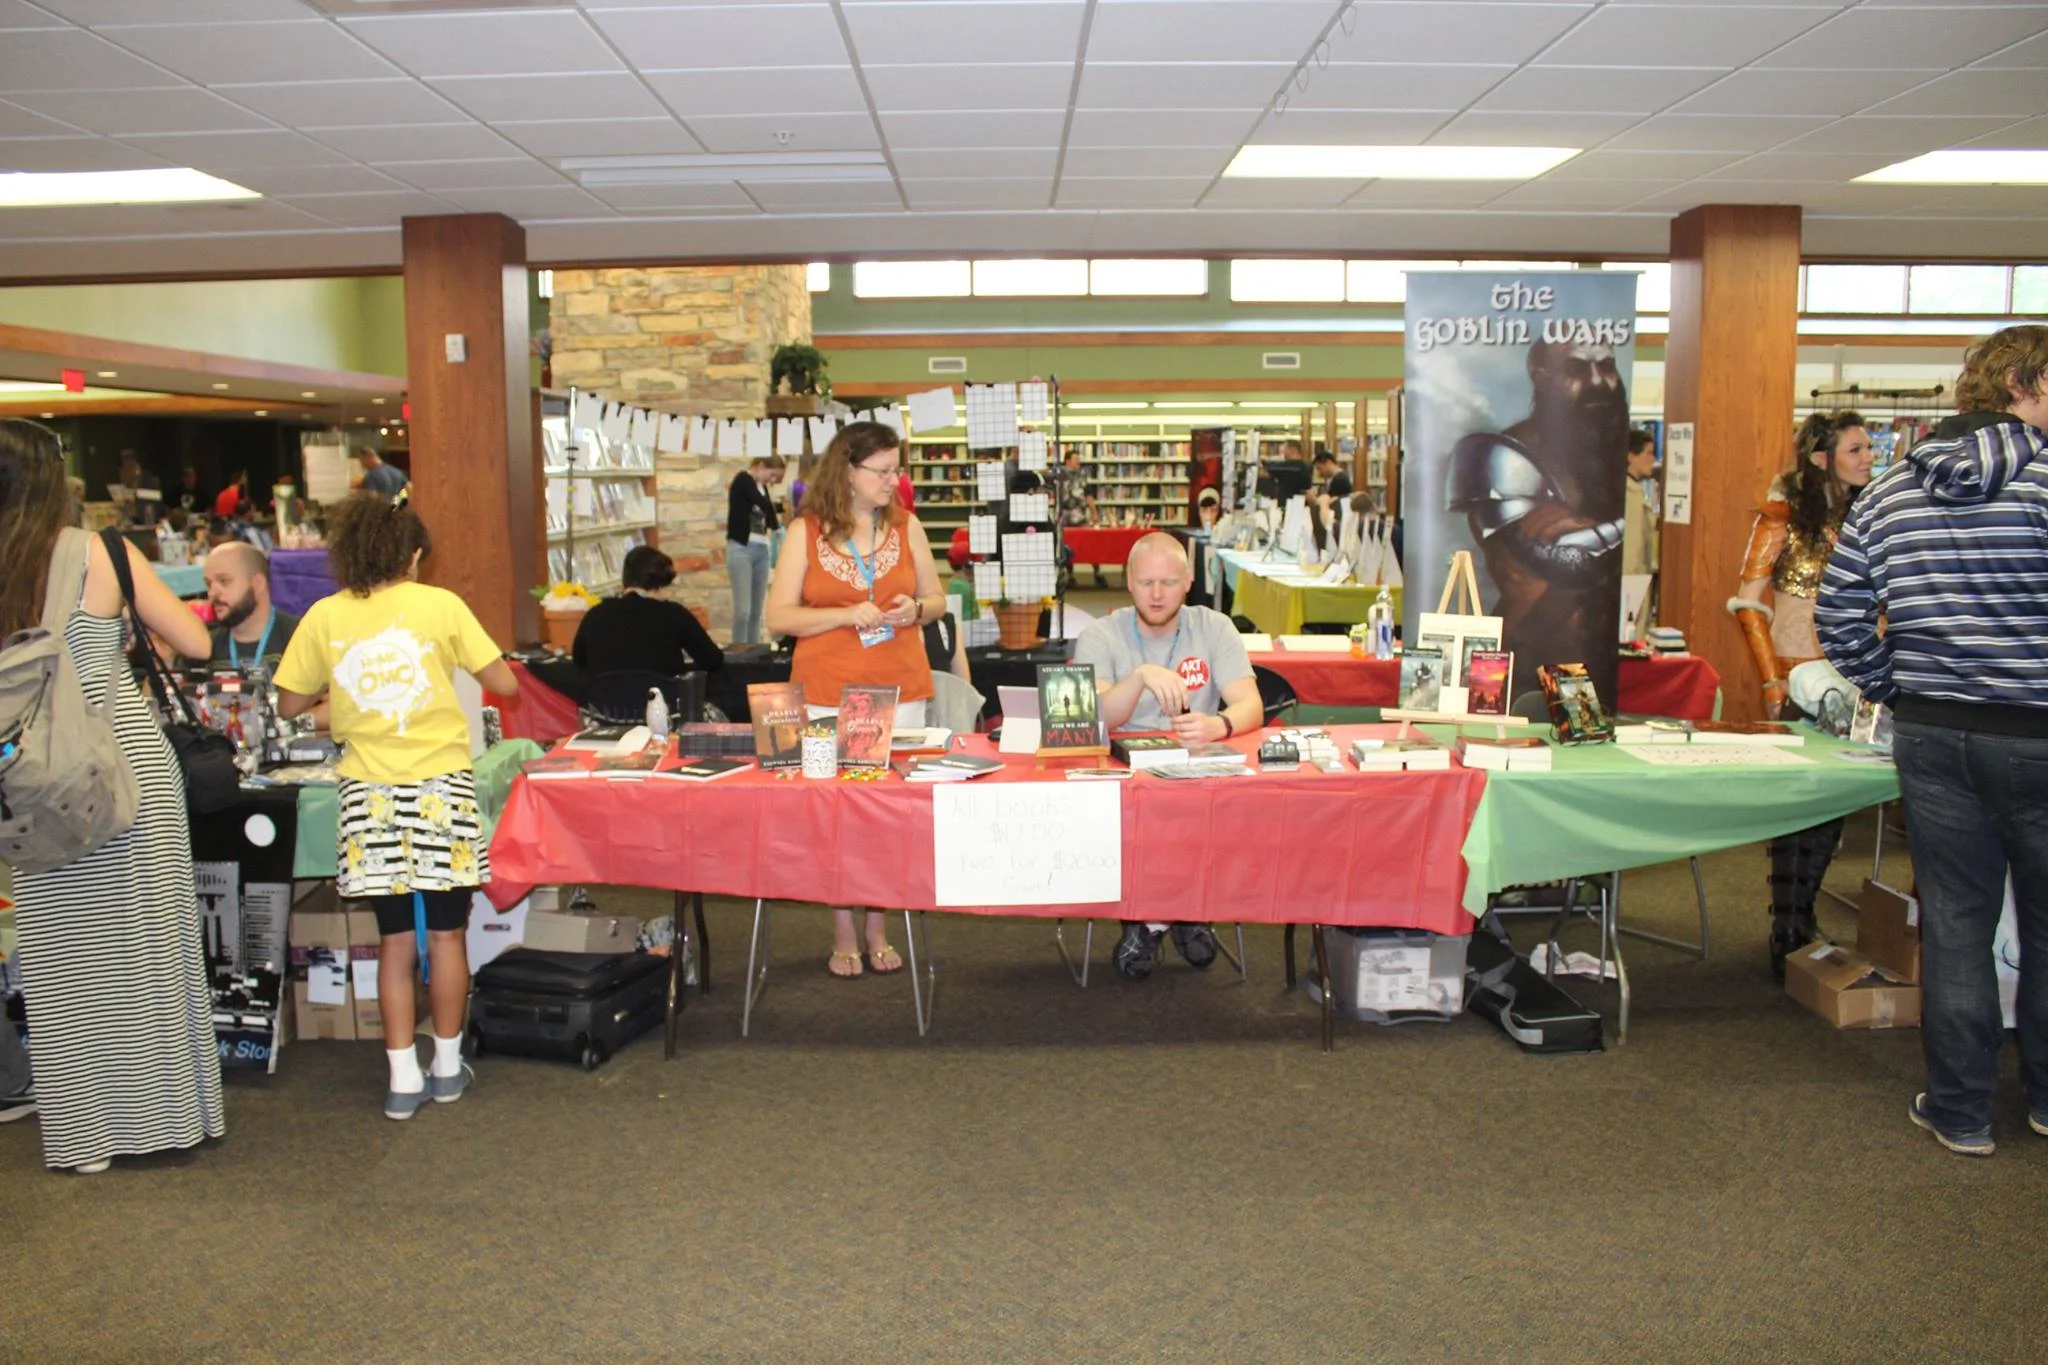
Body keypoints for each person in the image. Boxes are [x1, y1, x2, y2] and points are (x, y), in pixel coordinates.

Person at [1818, 325, 2048, 1158]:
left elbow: (1839, 615)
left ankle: (1960, 1110)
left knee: (1955, 922)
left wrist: (1897, 686)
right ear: (2021, 384)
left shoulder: (1889, 491)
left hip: (1935, 733)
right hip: (2037, 731)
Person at [0, 418, 221, 1173]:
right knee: (143, 945)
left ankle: (84, 1136)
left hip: (29, 776)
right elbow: (195, 641)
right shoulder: (100, 551)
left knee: (61, 962)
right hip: (119, 764)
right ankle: (158, 1119)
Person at [273, 493, 519, 1121]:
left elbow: (289, 704)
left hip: (369, 797)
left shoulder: (325, 615)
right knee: (448, 934)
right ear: (411, 555)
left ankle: (402, 1080)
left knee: (394, 941)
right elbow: (505, 683)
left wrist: (343, 695)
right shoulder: (442, 605)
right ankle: (447, 1068)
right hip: (441, 790)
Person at [764, 420, 946, 979]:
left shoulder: (908, 525)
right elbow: (777, 618)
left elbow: (937, 598)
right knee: (836, 818)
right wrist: (846, 613)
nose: (895, 481)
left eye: (897, 470)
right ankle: (843, 928)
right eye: (883, 471)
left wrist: (916, 610)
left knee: (888, 817)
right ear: (847, 470)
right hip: (825, 695)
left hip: (901, 691)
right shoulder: (805, 532)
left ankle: (878, 927)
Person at [1073, 532, 1262, 980]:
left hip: (1195, 769)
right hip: (1121, 772)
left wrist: (1219, 724)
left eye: (1169, 583)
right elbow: (1097, 717)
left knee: (1204, 812)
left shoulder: (1215, 627)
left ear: (1189, 581)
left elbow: (1250, 705)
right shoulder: (1100, 635)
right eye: (1146, 583)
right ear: (1128, 581)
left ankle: (1166, 916)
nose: (1157, 594)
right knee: (1142, 814)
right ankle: (1167, 913)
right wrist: (1140, 676)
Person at [1729, 410, 1875, 975]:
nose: (1868, 457)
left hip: (1852, 679)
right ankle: (1786, 925)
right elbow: (1748, 603)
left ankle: (1803, 916)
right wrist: (1772, 678)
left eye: (1868, 448)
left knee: (1834, 804)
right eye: (1855, 449)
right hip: (1795, 679)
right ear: (1822, 458)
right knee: (1798, 805)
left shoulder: (1869, 515)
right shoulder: (1782, 516)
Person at [1446, 339, 1631, 702]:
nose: (1598, 381)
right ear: (1542, 378)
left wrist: (1592, 528)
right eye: (1577, 369)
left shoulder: (1607, 456)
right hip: (1517, 648)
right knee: (1480, 731)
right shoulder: (1503, 457)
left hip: (1581, 654)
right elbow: (1566, 562)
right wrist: (1610, 531)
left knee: (1580, 739)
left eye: (1607, 366)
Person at [573, 545, 724, 680]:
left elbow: (579, 661)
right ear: (661, 585)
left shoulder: (595, 614)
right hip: (664, 700)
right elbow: (712, 660)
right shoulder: (674, 614)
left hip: (605, 701)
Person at [195, 540, 299, 671]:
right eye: (208, 584)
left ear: (258, 584)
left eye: (224, 581)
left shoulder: (299, 636)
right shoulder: (203, 644)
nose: (212, 593)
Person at [725, 453, 785, 645]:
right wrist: (776, 517)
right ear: (761, 466)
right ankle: (738, 650)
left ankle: (752, 650)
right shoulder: (743, 480)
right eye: (772, 474)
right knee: (743, 611)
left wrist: (777, 529)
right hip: (741, 549)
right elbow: (763, 504)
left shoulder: (762, 488)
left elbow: (770, 514)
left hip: (761, 550)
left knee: (756, 612)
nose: (772, 480)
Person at [1622, 429, 1660, 578]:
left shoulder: (1635, 490)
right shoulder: (1629, 494)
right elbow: (1631, 549)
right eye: (1648, 453)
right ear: (1631, 456)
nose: (1653, 459)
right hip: (1632, 581)